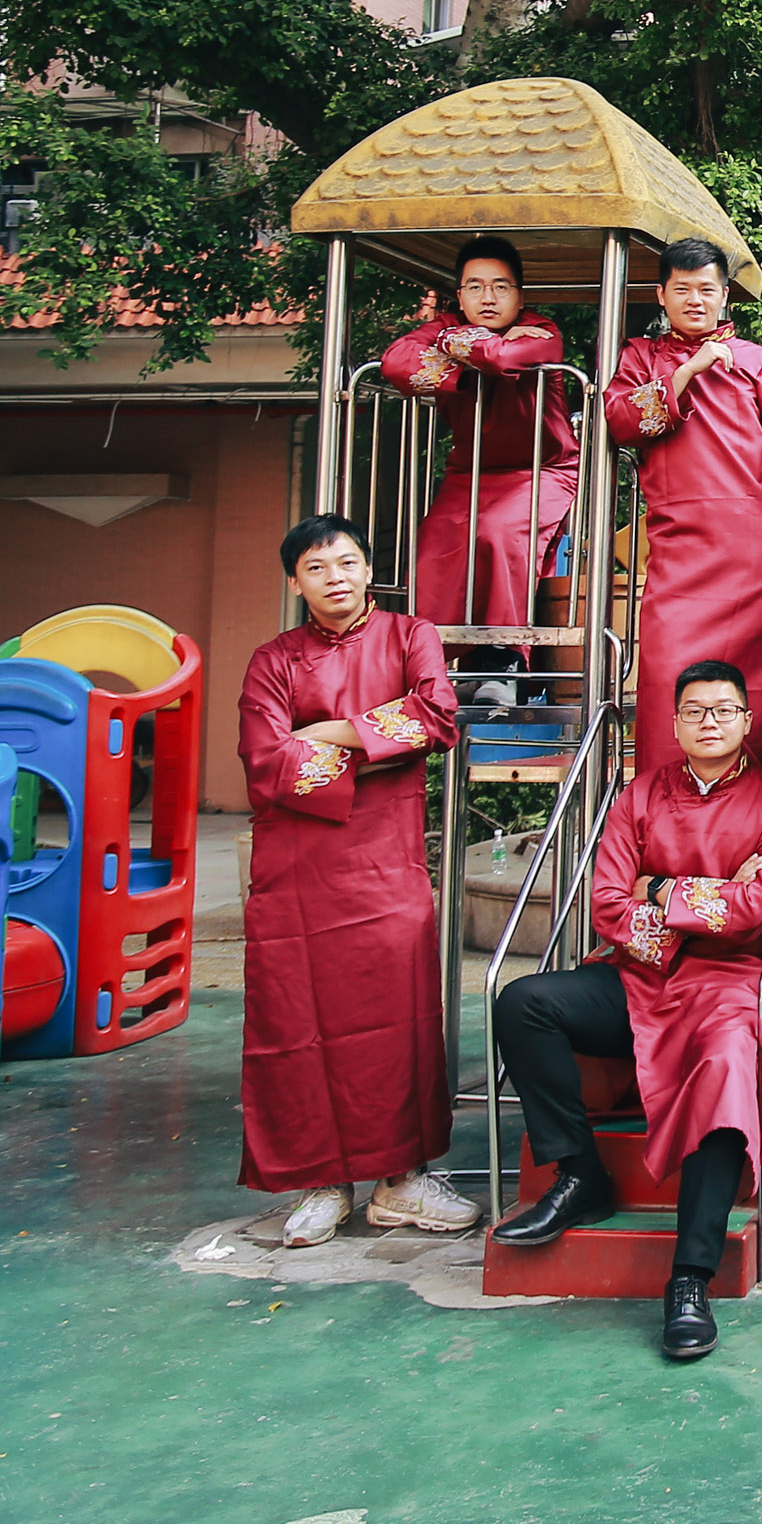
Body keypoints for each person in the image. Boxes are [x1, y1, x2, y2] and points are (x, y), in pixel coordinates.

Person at [488, 662, 762, 1359]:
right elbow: (607, 906)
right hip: (637, 975)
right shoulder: (640, 796)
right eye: (695, 711)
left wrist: (656, 887)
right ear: (675, 723)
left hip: (725, 983)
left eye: (724, 710)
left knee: (728, 1064)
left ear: (747, 721)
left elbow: (756, 911)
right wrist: (706, 896)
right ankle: (580, 1173)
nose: (710, 723)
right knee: (524, 1002)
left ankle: (689, 1278)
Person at [235, 515, 471, 1246]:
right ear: (295, 582)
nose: (334, 577)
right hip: (298, 870)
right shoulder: (272, 660)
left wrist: (327, 732)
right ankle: (322, 1182)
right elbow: (264, 759)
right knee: (298, 1023)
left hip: (386, 862)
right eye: (316, 567)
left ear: (369, 570)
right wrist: (377, 738)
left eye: (346, 562)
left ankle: (401, 1180)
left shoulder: (410, 636)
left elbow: (436, 718)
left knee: (398, 1019)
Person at [603, 237, 762, 775]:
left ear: (725, 295)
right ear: (661, 295)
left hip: (750, 554)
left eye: (706, 289)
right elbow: (619, 421)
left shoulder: (758, 362)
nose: (695, 300)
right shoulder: (640, 358)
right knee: (666, 680)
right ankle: (667, 814)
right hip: (677, 551)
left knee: (750, 688)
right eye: (682, 289)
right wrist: (685, 372)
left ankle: (752, 815)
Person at [379, 234, 582, 703]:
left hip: (543, 470)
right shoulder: (448, 327)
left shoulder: (543, 331)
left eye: (500, 287)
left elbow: (506, 358)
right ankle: (434, 665)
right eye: (475, 287)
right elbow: (395, 363)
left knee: (499, 533)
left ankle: (504, 660)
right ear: (459, 295)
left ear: (520, 296)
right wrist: (469, 343)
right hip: (468, 473)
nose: (487, 298)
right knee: (434, 548)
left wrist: (453, 348)